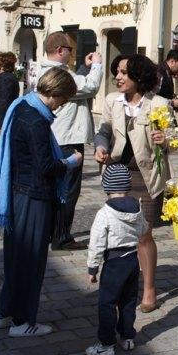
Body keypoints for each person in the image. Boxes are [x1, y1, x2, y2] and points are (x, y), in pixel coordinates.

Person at [0, 67, 82, 337]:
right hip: (34, 197)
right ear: (54, 94)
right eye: (63, 100)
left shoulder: (21, 107)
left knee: (16, 258)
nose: (62, 106)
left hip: (18, 192)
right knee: (31, 260)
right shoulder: (37, 120)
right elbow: (46, 167)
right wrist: (70, 162)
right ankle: (23, 321)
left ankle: (4, 312)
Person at [94, 54, 173, 314]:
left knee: (143, 234)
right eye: (117, 71)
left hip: (147, 177)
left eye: (124, 73)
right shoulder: (112, 101)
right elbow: (104, 130)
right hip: (117, 174)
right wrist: (101, 147)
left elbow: (173, 140)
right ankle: (120, 285)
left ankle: (149, 289)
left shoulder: (158, 103)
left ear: (139, 76)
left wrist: (164, 140)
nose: (118, 77)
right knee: (118, 235)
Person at [37, 32, 103, 251]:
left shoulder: (48, 69)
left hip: (56, 136)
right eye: (70, 50)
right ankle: (61, 236)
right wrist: (97, 66)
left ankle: (50, 232)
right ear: (60, 50)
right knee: (67, 189)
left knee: (55, 187)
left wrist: (83, 69)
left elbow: (78, 88)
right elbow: (89, 87)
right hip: (67, 138)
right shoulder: (57, 73)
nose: (72, 54)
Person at [86, 164, 149, 355]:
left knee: (107, 302)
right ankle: (127, 337)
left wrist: (92, 268)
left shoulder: (104, 213)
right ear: (128, 186)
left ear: (106, 187)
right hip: (132, 260)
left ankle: (106, 344)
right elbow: (143, 230)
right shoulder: (137, 208)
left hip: (113, 262)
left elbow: (96, 243)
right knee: (129, 301)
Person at [0, 52, 20, 137]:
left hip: (5, 120)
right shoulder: (3, 77)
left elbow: (4, 102)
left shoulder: (6, 79)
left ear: (3, 65)